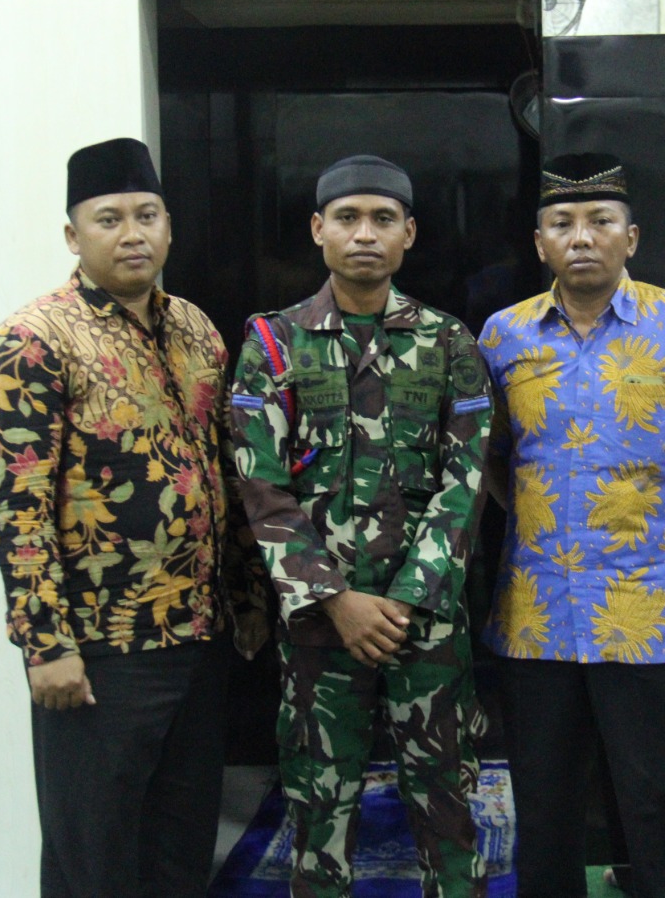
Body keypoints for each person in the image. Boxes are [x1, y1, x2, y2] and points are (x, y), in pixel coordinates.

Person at [0, 137, 266, 898]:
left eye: (147, 215)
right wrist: (45, 645)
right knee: (94, 861)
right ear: (74, 236)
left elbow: (223, 471)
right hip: (100, 652)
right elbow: (15, 506)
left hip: (196, 637)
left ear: (169, 227)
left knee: (180, 852)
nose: (132, 233)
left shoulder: (197, 330)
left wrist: (245, 604)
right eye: (109, 219)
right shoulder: (32, 341)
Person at [479, 152, 665, 898]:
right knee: (545, 823)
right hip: (537, 621)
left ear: (631, 237)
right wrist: (536, 517)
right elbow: (489, 460)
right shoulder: (503, 338)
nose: (582, 237)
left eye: (600, 221)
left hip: (657, 620)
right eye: (562, 223)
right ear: (539, 242)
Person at [230, 155, 492, 898]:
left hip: (425, 624)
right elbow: (261, 485)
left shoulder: (448, 342)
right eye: (347, 218)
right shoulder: (274, 343)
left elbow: (466, 483)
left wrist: (405, 600)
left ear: (409, 233)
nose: (365, 234)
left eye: (383, 219)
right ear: (319, 230)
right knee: (318, 811)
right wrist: (337, 599)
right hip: (321, 625)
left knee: (446, 806)